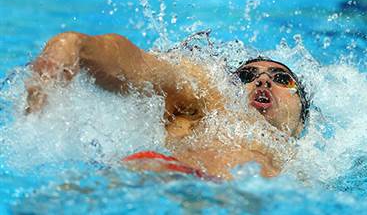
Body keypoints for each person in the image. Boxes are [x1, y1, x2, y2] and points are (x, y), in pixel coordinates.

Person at [25, 32, 310, 179]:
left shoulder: (311, 170)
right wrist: (75, 45)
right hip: (166, 180)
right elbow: (141, 68)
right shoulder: (209, 103)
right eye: (246, 77)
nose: (261, 81)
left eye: (282, 79)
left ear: (301, 123)